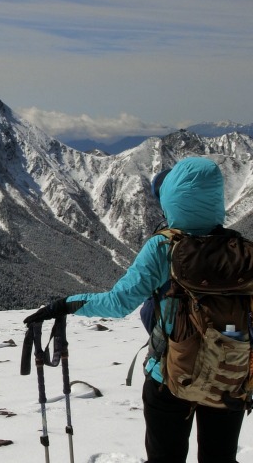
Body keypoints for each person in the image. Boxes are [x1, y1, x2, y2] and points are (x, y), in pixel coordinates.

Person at [23, 156, 245, 463]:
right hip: (229, 377)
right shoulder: (243, 252)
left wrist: (65, 305)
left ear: (171, 199)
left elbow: (118, 303)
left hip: (168, 376)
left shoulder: (163, 248)